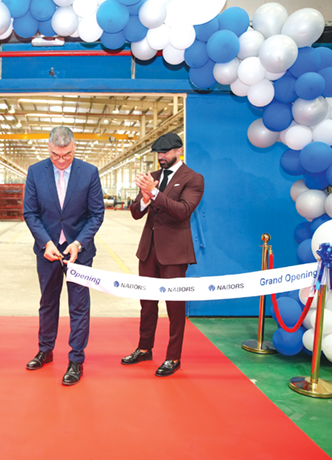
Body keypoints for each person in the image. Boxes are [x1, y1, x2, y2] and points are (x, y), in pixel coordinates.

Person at [23, 126, 105, 386]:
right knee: (48, 302)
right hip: (47, 251)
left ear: (74, 147)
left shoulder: (89, 173)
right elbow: (30, 213)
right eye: (55, 155)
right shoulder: (35, 172)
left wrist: (79, 243)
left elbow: (96, 214)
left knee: (79, 306)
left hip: (79, 252)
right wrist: (45, 242)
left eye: (66, 155)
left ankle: (76, 359)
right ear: (48, 148)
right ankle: (45, 350)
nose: (60, 160)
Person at [121, 132, 204, 377]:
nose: (161, 157)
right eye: (158, 153)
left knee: (175, 308)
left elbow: (183, 211)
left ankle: (173, 357)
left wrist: (155, 194)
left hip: (175, 253)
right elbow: (136, 212)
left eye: (165, 153)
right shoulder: (153, 177)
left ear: (179, 151)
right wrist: (145, 198)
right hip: (148, 251)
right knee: (147, 305)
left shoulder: (193, 179)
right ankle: (144, 348)